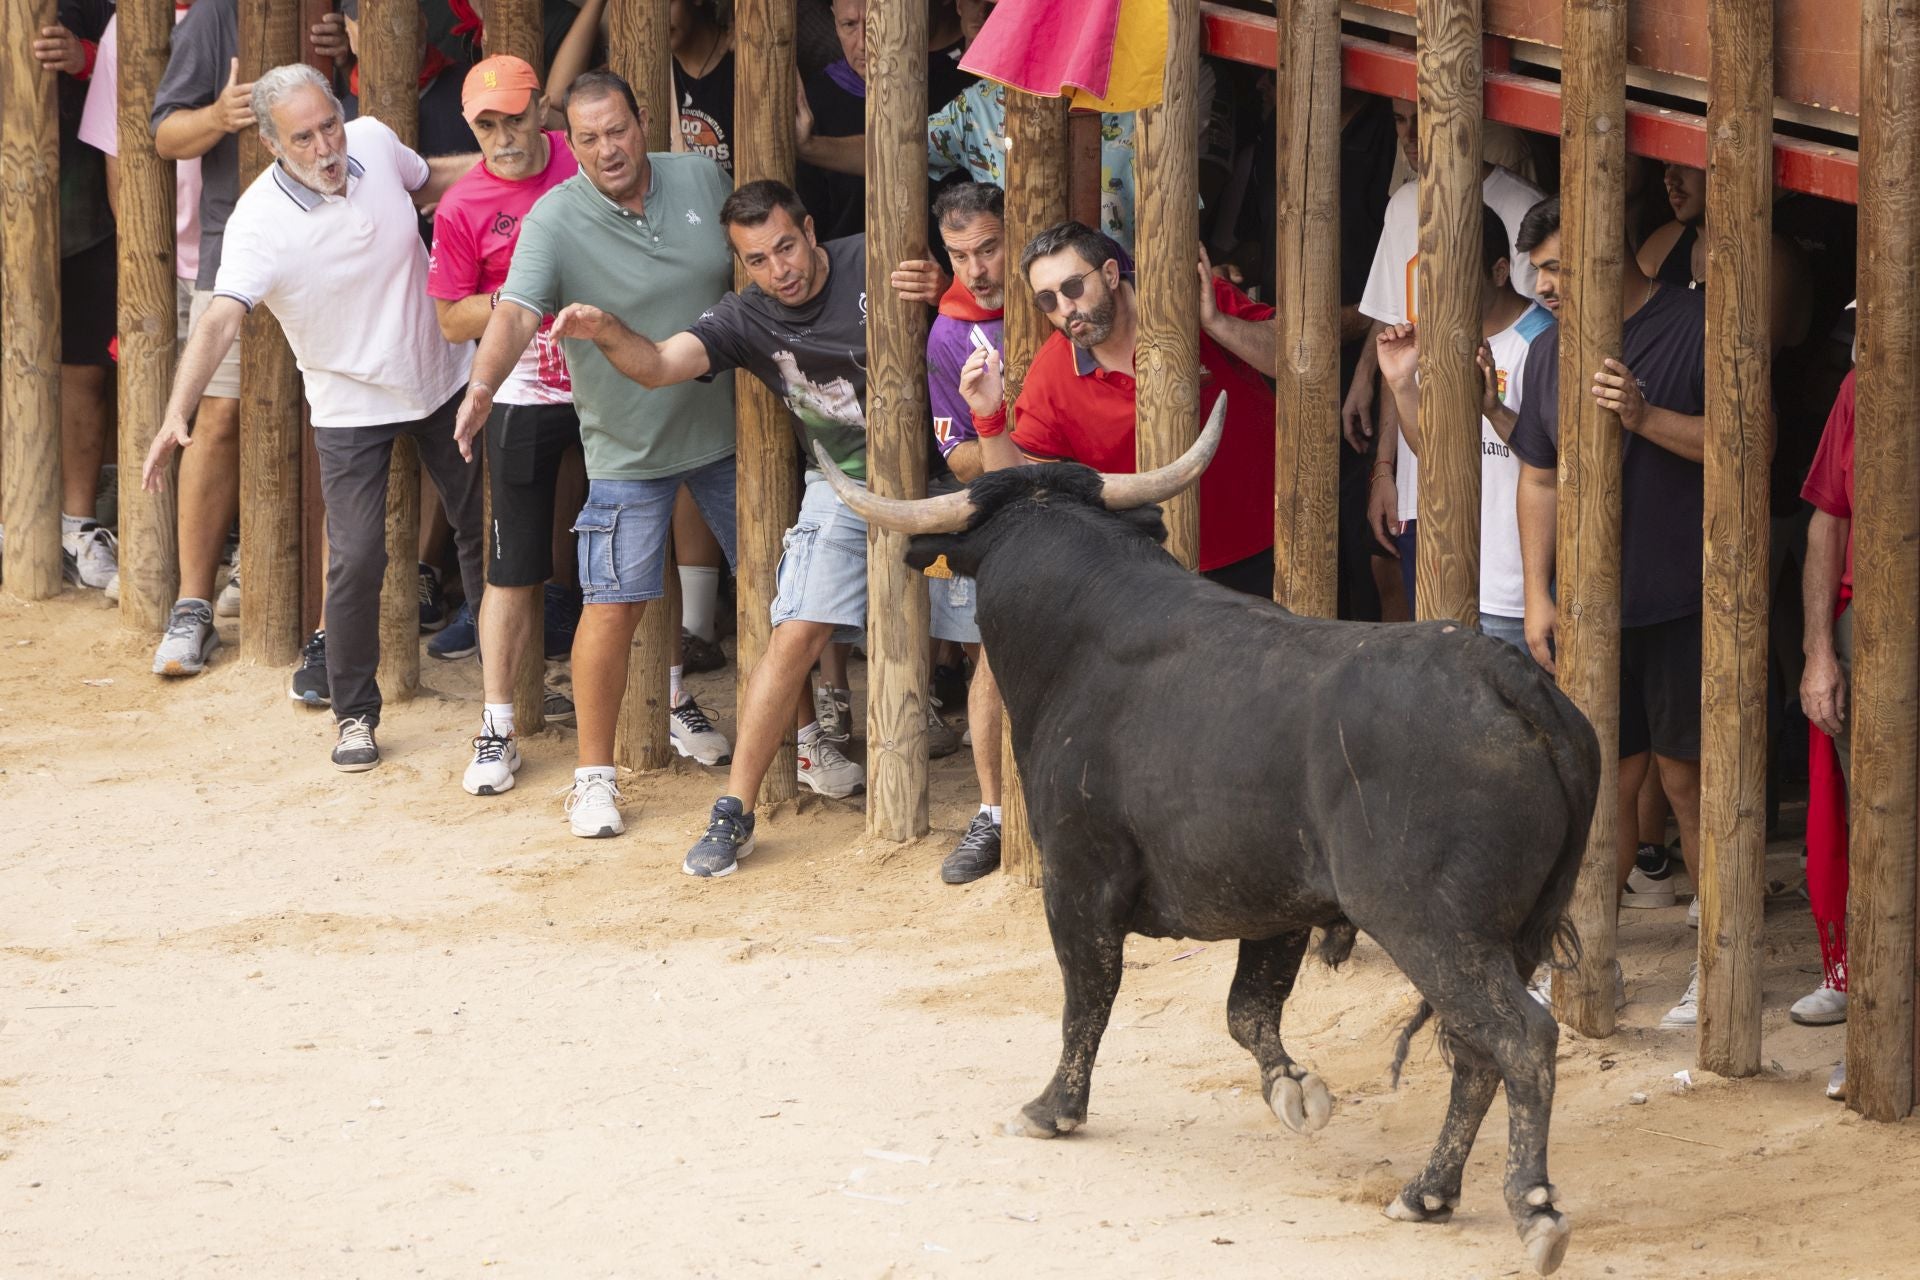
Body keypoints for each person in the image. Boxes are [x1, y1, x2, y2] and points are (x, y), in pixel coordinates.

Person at [142, 64, 485, 773]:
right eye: (304, 137)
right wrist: (178, 411)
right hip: (349, 404)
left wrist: (513, 162)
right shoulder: (257, 223)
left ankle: (502, 703)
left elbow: (428, 183)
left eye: (329, 124)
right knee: (357, 556)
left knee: (484, 529)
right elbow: (218, 323)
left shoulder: (375, 139)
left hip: (444, 377)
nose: (327, 146)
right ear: (272, 144)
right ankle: (353, 713)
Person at [542, 180, 884, 877]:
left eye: (785, 247)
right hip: (842, 486)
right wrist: (607, 330)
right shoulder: (747, 316)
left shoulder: (871, 261)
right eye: (757, 259)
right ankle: (735, 812)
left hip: (943, 477)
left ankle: (1001, 812)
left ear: (812, 230)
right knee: (791, 633)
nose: (778, 269)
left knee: (982, 636)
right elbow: (663, 365)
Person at [455, 71, 740, 836]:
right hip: (626, 447)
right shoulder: (555, 216)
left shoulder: (700, 177)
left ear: (642, 119)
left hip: (724, 433)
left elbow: (756, 263)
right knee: (610, 608)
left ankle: (804, 743)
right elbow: (515, 311)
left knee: (783, 592)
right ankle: (593, 777)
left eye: (618, 130)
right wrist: (483, 385)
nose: (609, 149)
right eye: (589, 138)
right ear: (569, 142)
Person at [1508, 196, 1709, 1030]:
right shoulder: (1548, 353)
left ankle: (1717, 967)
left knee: (1688, 782)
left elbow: (1751, 442)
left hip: (1690, 600)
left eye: (1557, 266)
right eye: (1539, 271)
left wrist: (1642, 416)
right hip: (1592, 611)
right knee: (1603, 786)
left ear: (1609, 249)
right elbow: (1539, 478)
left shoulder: (1697, 323)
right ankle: (1588, 962)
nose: (1545, 286)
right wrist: (1537, 594)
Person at [958, 220, 1278, 594]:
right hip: (1151, 575)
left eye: (1073, 287)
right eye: (1047, 300)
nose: (1065, 309)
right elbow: (1017, 491)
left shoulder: (1187, 295)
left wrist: (1215, 322)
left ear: (1110, 273)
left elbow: (1290, 360)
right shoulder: (1052, 375)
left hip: (1272, 542)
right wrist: (989, 418)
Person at [426, 55, 587, 795]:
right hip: (520, 390)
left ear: (542, 109)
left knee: (637, 534)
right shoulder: (462, 206)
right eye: (486, 124)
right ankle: (496, 726)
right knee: (511, 565)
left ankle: (670, 693)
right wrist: (520, 298)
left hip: (611, 383)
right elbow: (452, 316)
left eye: (514, 117)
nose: (503, 136)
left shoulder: (585, 160)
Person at [1353, 99, 1546, 613]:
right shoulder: (1401, 206)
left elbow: (1529, 349)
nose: (1411, 136)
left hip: (1511, 509)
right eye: (1398, 120)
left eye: (1423, 119)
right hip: (1428, 488)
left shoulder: (1520, 209)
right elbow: (1399, 342)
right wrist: (1386, 470)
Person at [77, 3, 221, 653]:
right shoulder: (127, 27)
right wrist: (143, 260)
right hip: (171, 260)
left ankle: (232, 561)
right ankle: (153, 560)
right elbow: (121, 157)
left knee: (236, 416)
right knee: (171, 416)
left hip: (237, 253)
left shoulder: (242, 16)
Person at [891, 181, 1012, 883]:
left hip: (1099, 496)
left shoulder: (1057, 292)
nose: (976, 268)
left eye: (989, 248)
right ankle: (993, 814)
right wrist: (1025, 451)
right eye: (959, 254)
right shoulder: (947, 330)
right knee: (992, 655)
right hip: (1006, 507)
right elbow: (956, 452)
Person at [1372, 207, 1553, 652]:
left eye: (1456, 274)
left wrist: (1493, 411)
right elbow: (1437, 456)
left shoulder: (1544, 340)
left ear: (1499, 271)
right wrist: (1401, 384)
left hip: (1519, 596)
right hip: (1454, 581)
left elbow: (1556, 464)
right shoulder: (1443, 339)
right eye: (1432, 276)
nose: (1441, 290)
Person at [28, 1, 121, 595]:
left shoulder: (96, 5)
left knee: (84, 369)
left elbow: (147, 64)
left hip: (84, 209)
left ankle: (76, 524)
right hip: (18, 209)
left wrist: (88, 60)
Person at [1798, 369, 1858, 1101]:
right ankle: (1882, 1024)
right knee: (1873, 826)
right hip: (1868, 623)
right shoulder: (1857, 385)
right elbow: (1826, 518)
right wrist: (1818, 650)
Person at [795, 0, 975, 241]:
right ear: (834, 23)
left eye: (874, 24)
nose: (862, 43)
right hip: (850, 269)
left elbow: (902, 152)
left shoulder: (955, 88)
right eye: (848, 24)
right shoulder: (815, 101)